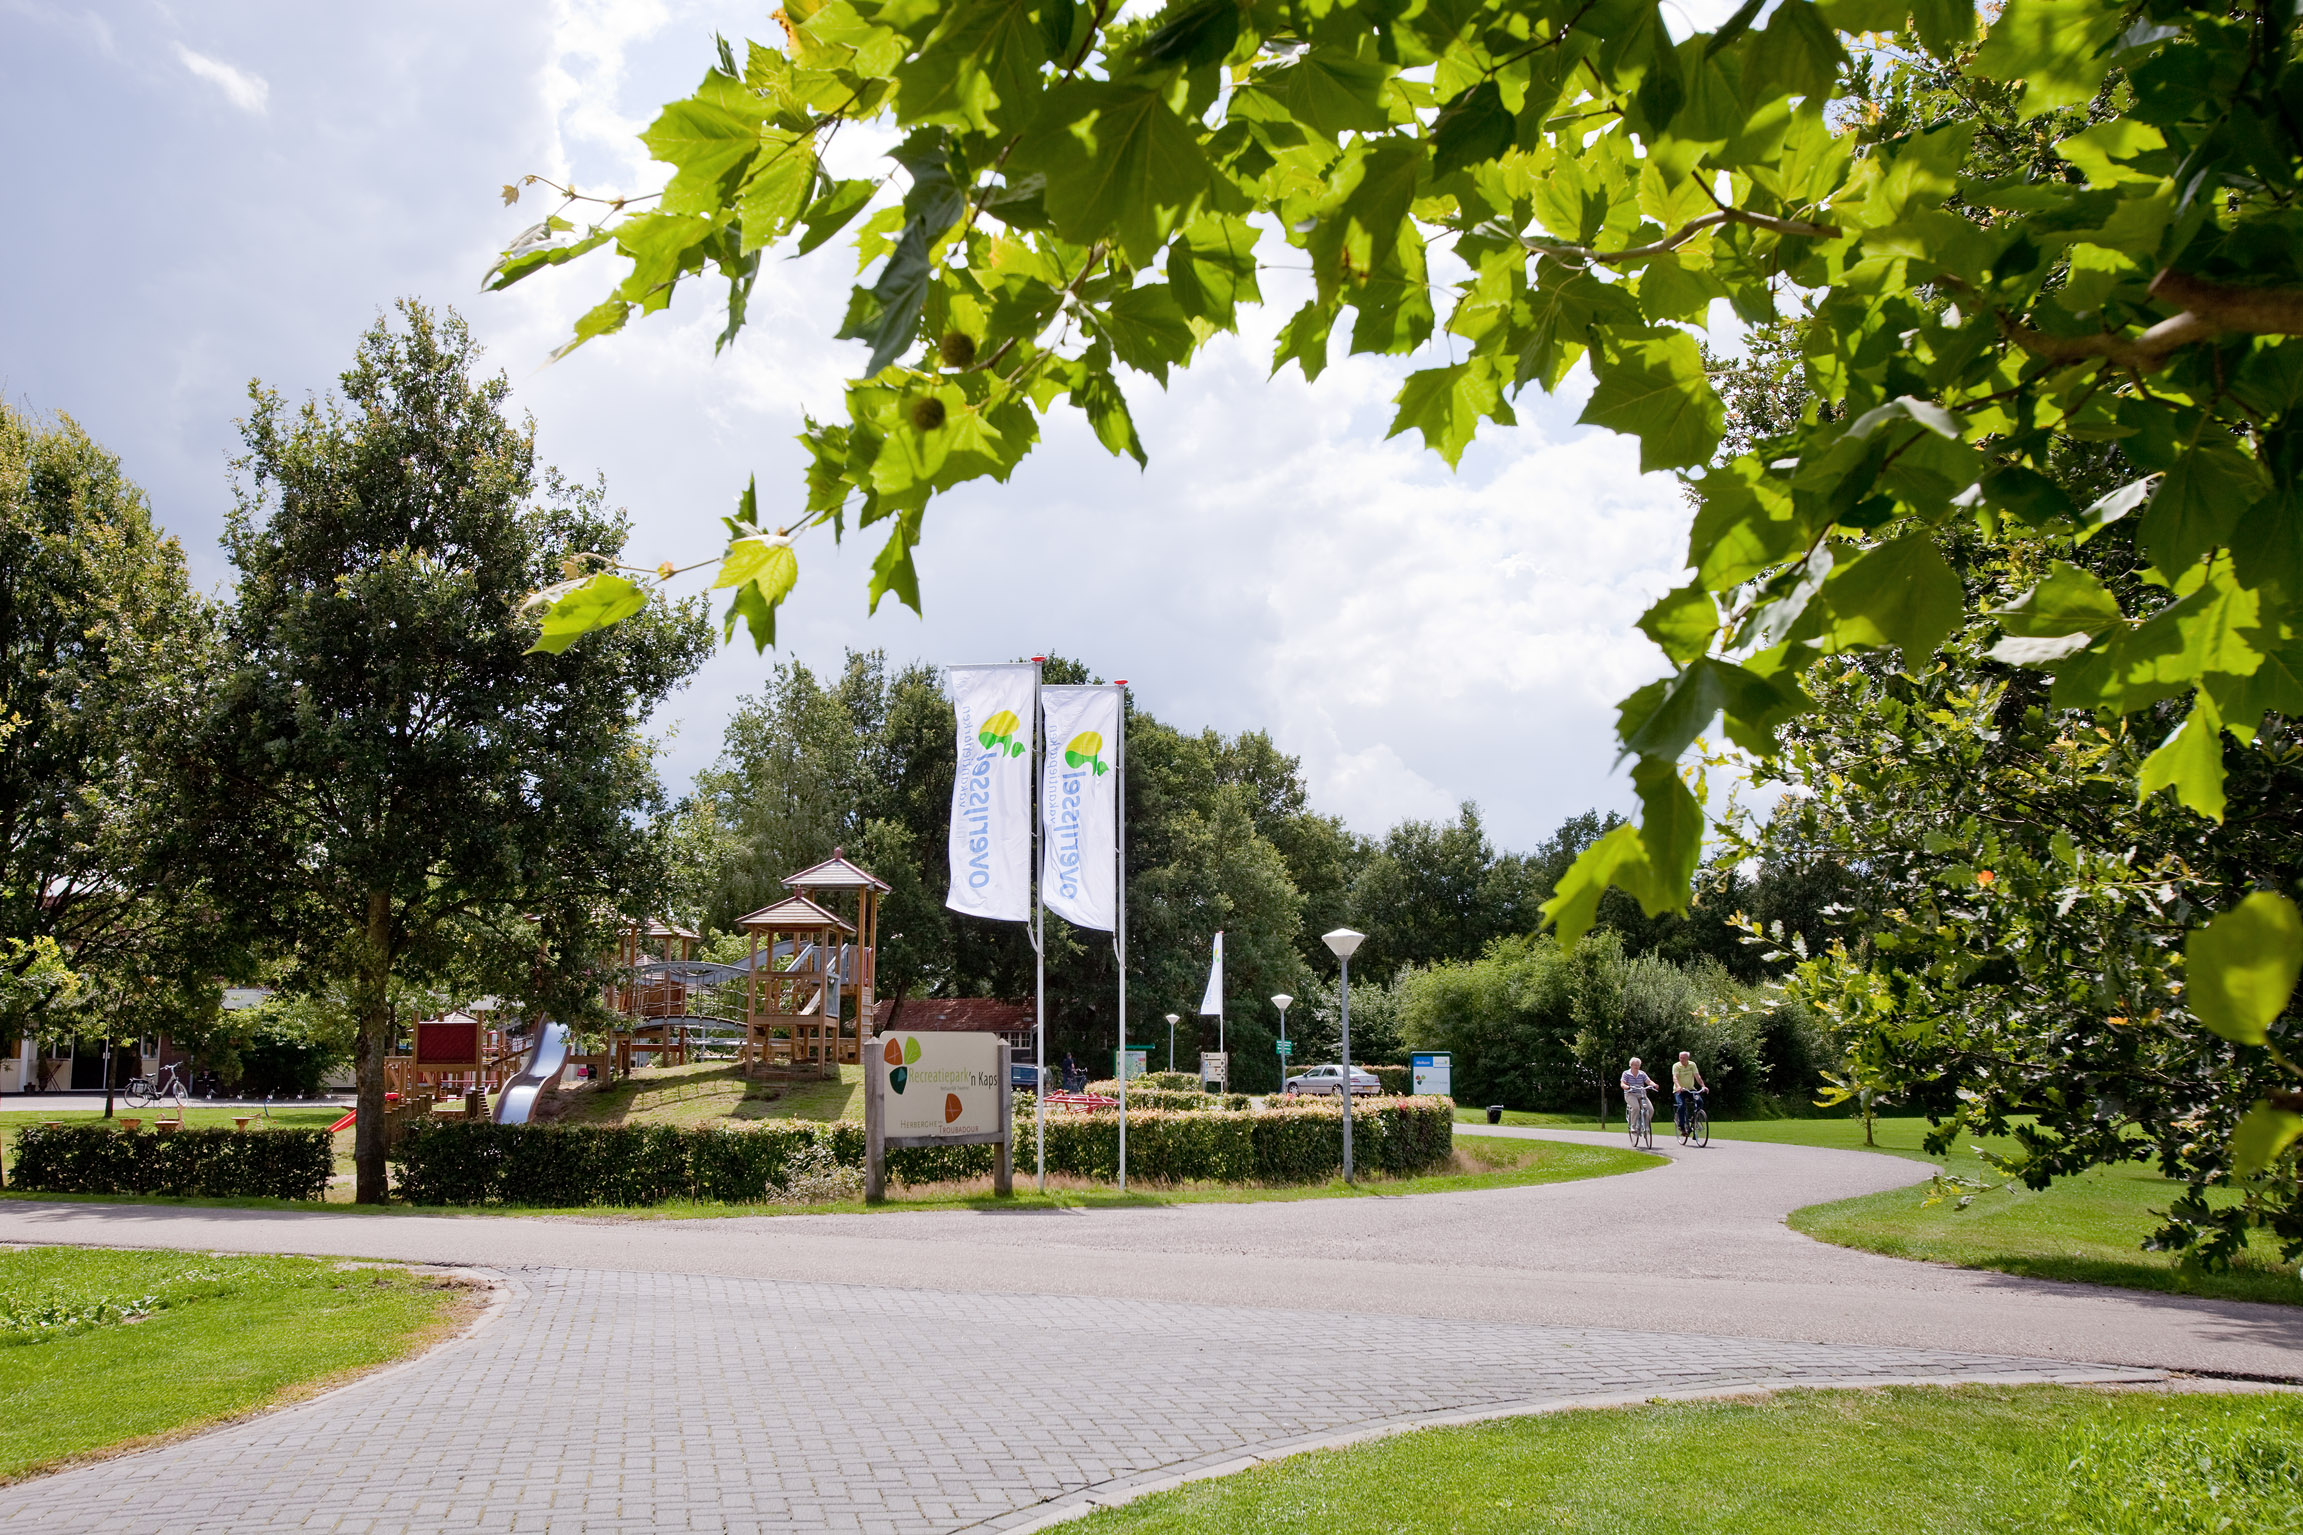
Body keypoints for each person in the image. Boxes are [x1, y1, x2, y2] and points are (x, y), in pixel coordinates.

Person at [1671, 1051, 1708, 1138]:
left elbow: (1697, 1076)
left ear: (1688, 1058)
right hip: (1679, 1091)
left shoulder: (1692, 1065)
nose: (1681, 1059)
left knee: (1699, 1101)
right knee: (1681, 1105)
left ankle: (1694, 1119)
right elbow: (1675, 1077)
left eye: (1683, 1058)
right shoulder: (1676, 1066)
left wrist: (1703, 1086)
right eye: (1680, 1058)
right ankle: (1682, 1126)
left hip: (1690, 1089)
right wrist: (1678, 1087)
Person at [1620, 1057, 1658, 1133]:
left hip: (1641, 1094)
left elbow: (1648, 1081)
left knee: (1650, 1109)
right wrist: (1626, 1087)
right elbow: (1622, 1083)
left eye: (1638, 1065)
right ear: (1630, 1065)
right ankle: (1633, 1126)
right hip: (1630, 1094)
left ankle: (1646, 1126)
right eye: (1635, 1065)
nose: (1637, 1066)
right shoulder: (1626, 1073)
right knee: (1636, 1107)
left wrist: (1654, 1085)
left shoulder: (1642, 1074)